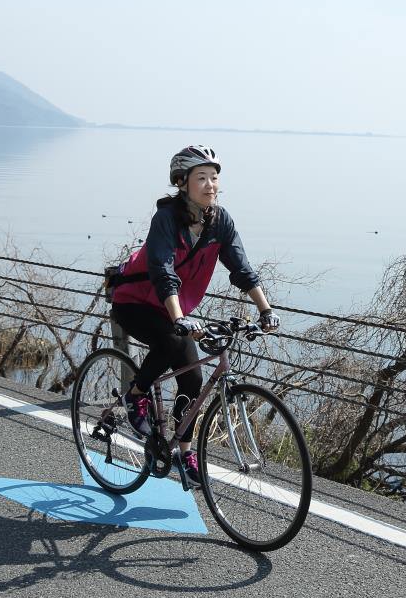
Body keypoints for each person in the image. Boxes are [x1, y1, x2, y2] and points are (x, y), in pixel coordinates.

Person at [108, 144, 279, 487]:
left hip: (172, 311)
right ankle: (137, 396)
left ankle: (184, 453)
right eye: (201, 178)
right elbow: (162, 269)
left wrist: (265, 309)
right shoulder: (167, 218)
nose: (210, 185)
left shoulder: (220, 221)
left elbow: (241, 269)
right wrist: (179, 317)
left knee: (193, 379)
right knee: (172, 339)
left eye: (214, 178)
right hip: (136, 303)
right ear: (182, 182)